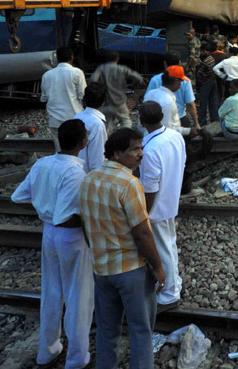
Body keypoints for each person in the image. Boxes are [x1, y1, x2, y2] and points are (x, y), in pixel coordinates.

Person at [79, 128, 166, 369]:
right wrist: (158, 266)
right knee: (141, 330)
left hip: (102, 270)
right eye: (135, 149)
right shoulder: (129, 184)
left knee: (107, 331)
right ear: (117, 153)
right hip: (130, 270)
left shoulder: (89, 179)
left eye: (141, 148)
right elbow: (142, 232)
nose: (141, 154)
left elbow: (86, 224)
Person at [12, 119, 93, 369]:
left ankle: (47, 351)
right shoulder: (75, 172)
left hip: (49, 233)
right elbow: (68, 214)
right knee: (79, 297)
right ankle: (77, 359)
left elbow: (19, 196)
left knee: (52, 292)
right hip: (71, 236)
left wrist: (43, 203)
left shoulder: (42, 164)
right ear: (83, 142)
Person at [136, 101, 186, 313]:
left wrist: (144, 212)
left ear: (141, 120)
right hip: (171, 199)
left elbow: (150, 187)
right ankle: (174, 283)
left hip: (157, 206)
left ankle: (169, 294)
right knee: (169, 245)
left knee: (162, 248)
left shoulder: (149, 149)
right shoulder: (175, 136)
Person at [42, 46, 87, 151]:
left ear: (56, 58)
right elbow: (83, 96)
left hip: (55, 121)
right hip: (74, 119)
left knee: (60, 153)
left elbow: (44, 98)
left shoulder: (46, 75)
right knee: (78, 154)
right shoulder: (77, 73)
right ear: (72, 57)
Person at [90, 51, 145, 133]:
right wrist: (134, 85)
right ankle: (124, 138)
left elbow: (92, 80)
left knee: (106, 125)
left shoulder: (101, 68)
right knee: (126, 121)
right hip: (120, 102)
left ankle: (105, 142)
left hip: (106, 102)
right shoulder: (122, 68)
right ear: (117, 59)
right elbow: (138, 78)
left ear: (106, 59)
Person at [146, 51, 199, 130]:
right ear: (179, 62)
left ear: (165, 63)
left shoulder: (155, 80)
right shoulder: (186, 81)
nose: (180, 85)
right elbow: (190, 104)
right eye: (179, 83)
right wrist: (196, 124)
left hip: (160, 120)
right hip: (180, 118)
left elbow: (147, 102)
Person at [143, 67, 198, 138]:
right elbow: (167, 130)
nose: (180, 85)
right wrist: (190, 131)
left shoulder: (150, 94)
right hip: (163, 141)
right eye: (180, 81)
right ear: (175, 81)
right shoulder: (168, 102)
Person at [72, 82, 108, 172]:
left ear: (84, 99)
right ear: (104, 100)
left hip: (75, 170)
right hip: (88, 176)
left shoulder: (77, 117)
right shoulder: (97, 124)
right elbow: (97, 161)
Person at [193, 43, 219, 126]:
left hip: (206, 83)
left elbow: (199, 74)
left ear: (205, 51)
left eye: (202, 51)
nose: (201, 52)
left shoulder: (204, 62)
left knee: (203, 103)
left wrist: (201, 80)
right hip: (213, 81)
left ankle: (202, 121)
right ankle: (214, 120)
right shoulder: (212, 58)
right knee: (213, 102)